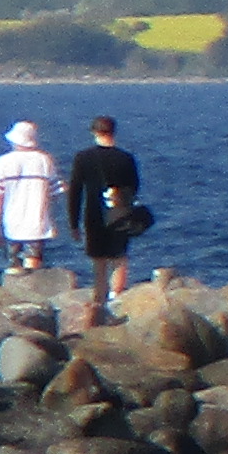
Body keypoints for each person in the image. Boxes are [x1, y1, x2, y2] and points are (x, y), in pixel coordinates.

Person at [66, 116, 147, 319]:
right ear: (113, 132)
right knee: (119, 257)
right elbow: (134, 187)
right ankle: (116, 296)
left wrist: (73, 223)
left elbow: (75, 191)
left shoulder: (83, 158)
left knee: (99, 259)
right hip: (119, 212)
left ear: (94, 132)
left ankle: (100, 299)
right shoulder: (126, 158)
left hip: (93, 213)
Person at [0, 120, 62, 282]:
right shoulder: (44, 160)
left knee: (12, 266)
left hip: (11, 222)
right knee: (33, 263)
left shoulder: (2, 162)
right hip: (37, 222)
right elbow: (54, 193)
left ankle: (13, 291)